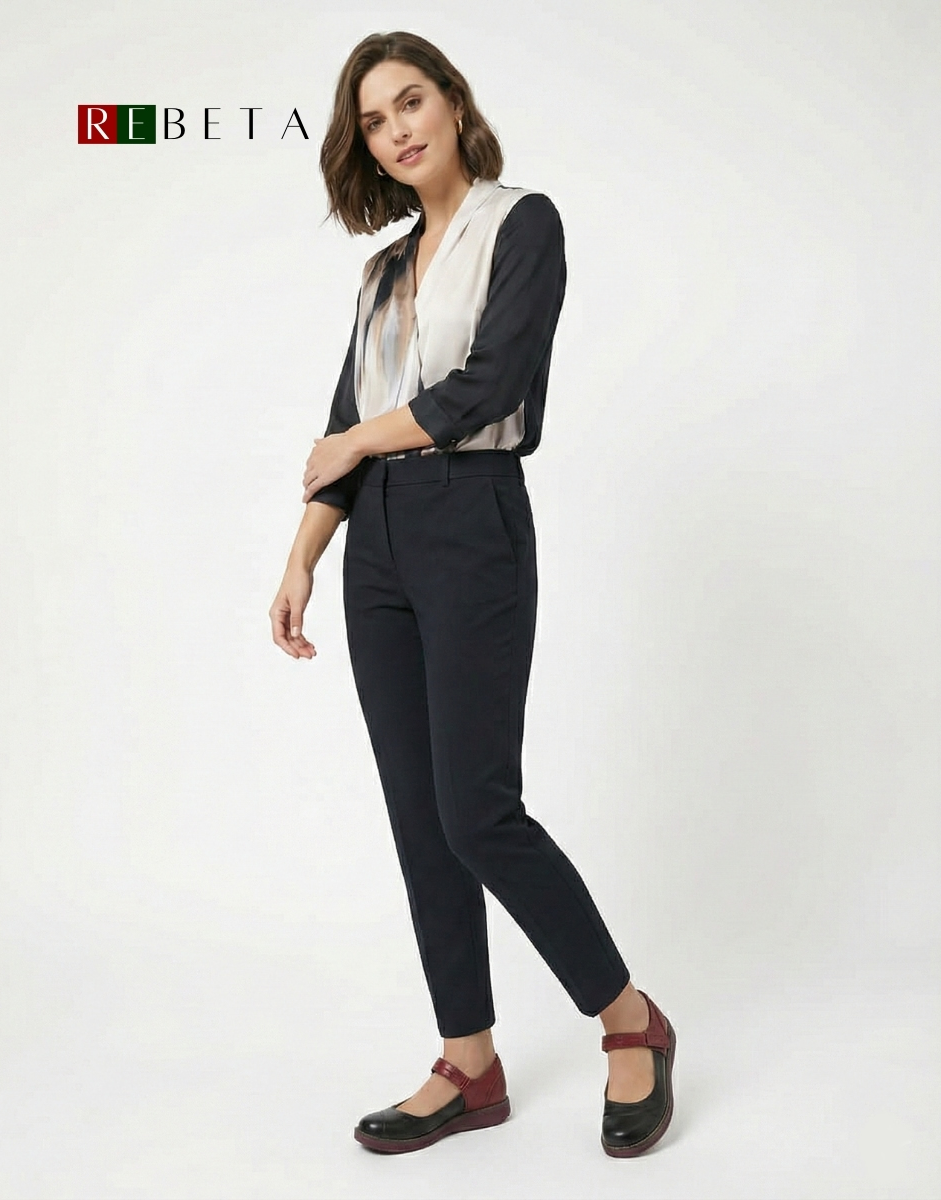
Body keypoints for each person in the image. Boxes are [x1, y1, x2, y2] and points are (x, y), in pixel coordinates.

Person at [269, 30, 676, 1158]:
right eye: (373, 120)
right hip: (379, 548)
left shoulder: (522, 223)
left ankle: (629, 1018)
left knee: (478, 810)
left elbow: (488, 384)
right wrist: (304, 555)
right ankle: (470, 1060)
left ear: (452, 102)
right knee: (420, 818)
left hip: (471, 518)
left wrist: (358, 441)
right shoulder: (378, 274)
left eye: (411, 102)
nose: (397, 130)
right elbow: (345, 425)